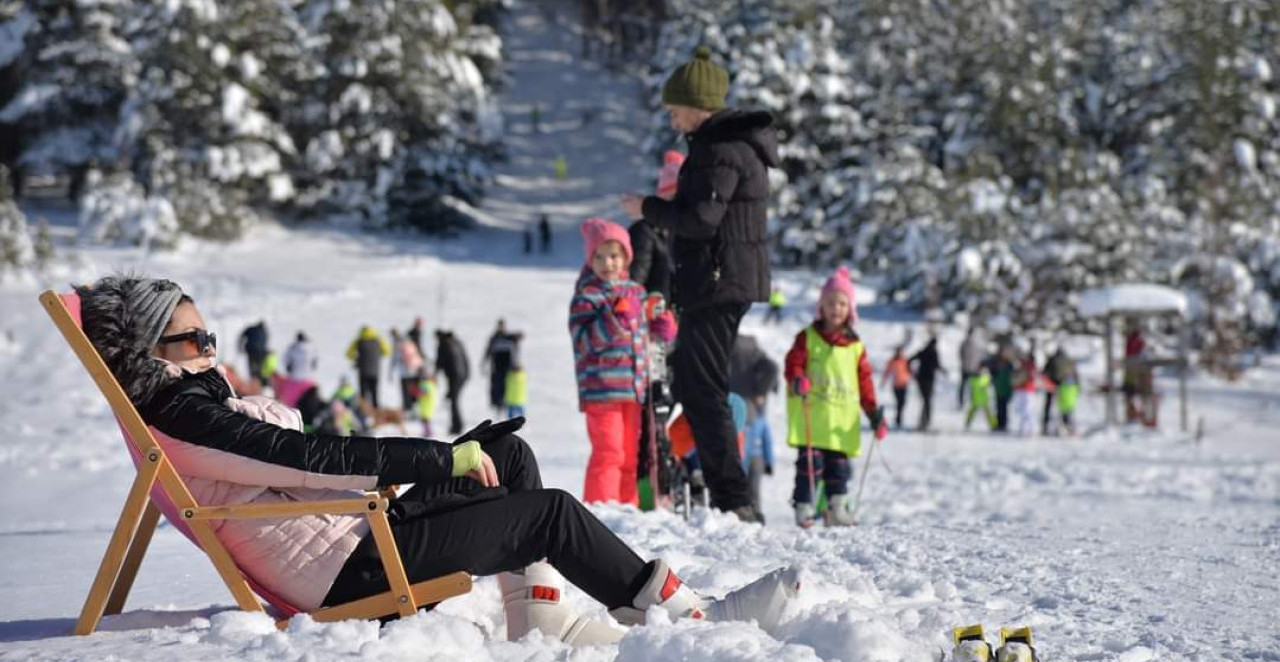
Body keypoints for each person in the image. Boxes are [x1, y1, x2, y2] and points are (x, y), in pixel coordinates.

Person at [76, 274, 801, 647]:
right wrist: (436, 461)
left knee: (506, 452)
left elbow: (305, 464)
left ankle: (541, 620)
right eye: (193, 342)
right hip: (349, 569)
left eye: (210, 337)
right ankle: (693, 620)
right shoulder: (186, 417)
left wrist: (456, 455)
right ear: (148, 352)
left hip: (357, 530)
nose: (211, 351)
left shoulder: (194, 406)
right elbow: (311, 457)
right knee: (547, 512)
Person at [620, 47, 778, 523]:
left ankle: (734, 499)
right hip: (720, 280)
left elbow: (701, 219)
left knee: (701, 387)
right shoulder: (721, 147)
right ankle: (731, 495)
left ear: (698, 106)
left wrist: (647, 209)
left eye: (675, 108)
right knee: (700, 384)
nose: (671, 118)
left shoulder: (719, 150)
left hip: (717, 281)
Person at [784, 267, 886, 528]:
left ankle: (837, 507)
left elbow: (864, 383)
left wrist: (873, 413)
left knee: (838, 469)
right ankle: (804, 506)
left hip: (841, 421)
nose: (836, 308)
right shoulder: (807, 338)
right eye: (830, 302)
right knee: (810, 466)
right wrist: (797, 379)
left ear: (850, 308)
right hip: (814, 417)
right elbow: (793, 363)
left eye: (842, 303)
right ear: (821, 306)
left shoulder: (855, 347)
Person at [570, 219, 660, 505]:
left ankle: (627, 509)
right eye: (599, 256)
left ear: (626, 257)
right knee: (609, 452)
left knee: (630, 455)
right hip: (602, 390)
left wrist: (662, 327)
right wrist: (614, 319)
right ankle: (600, 511)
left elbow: (645, 332)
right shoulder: (587, 297)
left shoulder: (636, 292)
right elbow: (584, 342)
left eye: (614, 256)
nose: (607, 263)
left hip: (633, 390)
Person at [729, 334, 779, 514]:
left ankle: (737, 510)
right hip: (748, 413)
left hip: (727, 415)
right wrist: (761, 392)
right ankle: (753, 513)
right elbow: (771, 368)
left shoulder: (721, 344)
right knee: (752, 479)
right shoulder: (750, 346)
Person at [627, 151, 681, 301]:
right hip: (652, 311)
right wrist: (632, 302)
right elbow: (637, 272)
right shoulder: (645, 231)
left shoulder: (684, 229)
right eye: (671, 196)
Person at [435, 329, 471, 435]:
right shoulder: (457, 342)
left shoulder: (443, 344)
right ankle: (457, 424)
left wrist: (434, 373)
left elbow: (440, 362)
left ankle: (457, 426)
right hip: (462, 375)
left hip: (454, 376)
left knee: (454, 401)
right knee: (454, 400)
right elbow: (465, 360)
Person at [483, 320, 522, 417]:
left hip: (508, 369)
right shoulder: (494, 338)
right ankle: (498, 410)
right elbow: (488, 351)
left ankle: (508, 410)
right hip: (496, 369)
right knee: (496, 390)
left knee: (508, 390)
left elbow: (517, 346)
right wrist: (484, 362)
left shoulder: (509, 338)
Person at [347, 325, 390, 410]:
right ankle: (375, 410)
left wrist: (358, 358)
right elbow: (387, 352)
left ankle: (363, 411)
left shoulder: (358, 341)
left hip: (363, 371)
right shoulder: (378, 340)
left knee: (363, 393)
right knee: (374, 392)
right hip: (375, 371)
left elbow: (349, 354)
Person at [908, 334, 944, 432]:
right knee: (927, 400)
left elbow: (909, 360)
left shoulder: (923, 350)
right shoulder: (934, 352)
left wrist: (912, 372)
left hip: (920, 379)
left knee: (925, 400)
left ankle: (924, 422)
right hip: (928, 379)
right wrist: (943, 370)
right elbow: (937, 365)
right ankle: (925, 422)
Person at [1042, 345, 1075, 435]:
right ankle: (1066, 425)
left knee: (1049, 406)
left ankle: (1046, 425)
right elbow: (1074, 374)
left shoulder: (1052, 359)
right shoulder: (1068, 361)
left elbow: (1045, 372)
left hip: (1052, 385)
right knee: (1064, 407)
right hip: (1064, 386)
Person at [391, 328, 425, 412]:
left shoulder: (398, 346)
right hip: (415, 371)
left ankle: (408, 409)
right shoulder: (411, 344)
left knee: (406, 393)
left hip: (404, 373)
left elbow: (394, 360)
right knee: (415, 392)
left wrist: (391, 372)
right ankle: (417, 408)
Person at [987, 344, 1017, 432]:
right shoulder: (996, 362)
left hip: (1006, 388)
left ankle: (1003, 424)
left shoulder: (1009, 364)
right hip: (998, 388)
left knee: (1004, 407)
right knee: (998, 407)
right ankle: (998, 424)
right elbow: (992, 372)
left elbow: (1012, 377)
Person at [881, 346, 912, 429]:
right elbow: (887, 372)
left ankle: (899, 418)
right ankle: (898, 419)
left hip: (904, 384)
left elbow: (909, 370)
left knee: (903, 402)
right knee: (899, 402)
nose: (899, 353)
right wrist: (883, 382)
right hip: (896, 385)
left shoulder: (904, 361)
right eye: (898, 352)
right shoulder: (892, 362)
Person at [958, 326, 985, 409]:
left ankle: (972, 402)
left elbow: (979, 356)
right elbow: (961, 354)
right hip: (969, 368)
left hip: (971, 368)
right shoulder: (969, 343)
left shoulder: (974, 343)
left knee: (971, 386)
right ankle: (964, 402)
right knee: (967, 386)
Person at [964, 366, 997, 431]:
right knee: (972, 413)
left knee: (988, 413)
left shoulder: (984, 379)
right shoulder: (973, 380)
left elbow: (990, 382)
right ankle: (967, 423)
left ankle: (994, 425)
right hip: (976, 399)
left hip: (983, 399)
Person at [416, 371, 439, 437]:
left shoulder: (426, 384)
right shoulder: (430, 384)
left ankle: (428, 432)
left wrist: (418, 393)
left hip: (427, 405)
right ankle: (427, 431)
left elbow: (425, 392)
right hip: (425, 405)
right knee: (425, 419)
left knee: (426, 419)